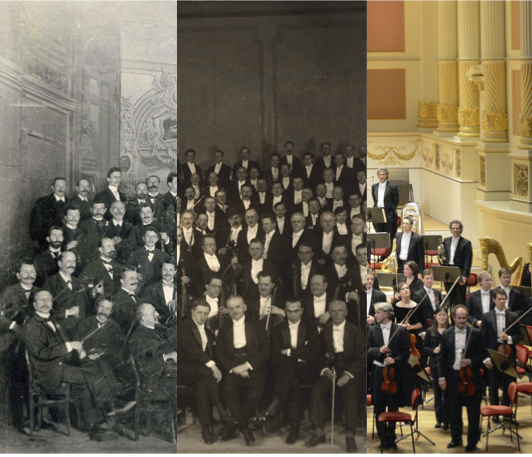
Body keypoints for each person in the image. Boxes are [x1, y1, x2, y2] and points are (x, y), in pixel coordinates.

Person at [175, 299, 237, 444]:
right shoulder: (183, 327)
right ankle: (222, 411)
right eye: (199, 313)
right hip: (181, 369)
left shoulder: (208, 331)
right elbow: (193, 352)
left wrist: (225, 366)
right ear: (192, 312)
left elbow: (212, 353)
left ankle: (206, 428)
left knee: (202, 384)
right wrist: (213, 367)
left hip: (200, 372)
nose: (202, 316)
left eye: (206, 313)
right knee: (207, 373)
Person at [306, 300, 362, 452]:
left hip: (349, 371)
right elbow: (317, 356)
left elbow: (361, 358)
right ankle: (319, 432)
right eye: (333, 311)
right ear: (329, 313)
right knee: (317, 389)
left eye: (340, 311)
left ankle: (350, 435)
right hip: (332, 370)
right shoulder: (324, 332)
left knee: (350, 392)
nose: (336, 314)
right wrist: (325, 370)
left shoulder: (356, 330)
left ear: (346, 312)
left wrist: (348, 375)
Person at [215, 295, 270, 446]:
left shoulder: (257, 325)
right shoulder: (224, 328)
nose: (235, 311)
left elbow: (266, 350)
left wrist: (247, 366)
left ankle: (235, 425)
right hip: (233, 367)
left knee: (255, 395)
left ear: (244, 307)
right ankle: (245, 428)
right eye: (231, 308)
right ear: (227, 311)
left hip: (253, 366)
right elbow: (219, 353)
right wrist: (234, 369)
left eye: (237, 307)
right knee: (228, 391)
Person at [438, 305, 488, 452]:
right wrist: (441, 377)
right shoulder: (446, 334)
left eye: (464, 318)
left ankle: (472, 441)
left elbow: (483, 354)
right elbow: (442, 358)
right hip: (453, 377)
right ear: (453, 318)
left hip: (471, 378)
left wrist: (471, 361)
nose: (461, 321)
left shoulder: (476, 333)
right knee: (454, 411)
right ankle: (456, 438)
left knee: (473, 412)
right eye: (459, 318)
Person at [367, 302, 410, 449]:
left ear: (386, 314)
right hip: (378, 373)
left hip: (393, 374)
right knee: (378, 406)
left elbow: (406, 353)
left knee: (392, 407)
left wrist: (395, 360)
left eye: (377, 312)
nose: (375, 315)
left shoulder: (400, 330)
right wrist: (379, 350)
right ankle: (382, 438)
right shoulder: (372, 330)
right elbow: (367, 350)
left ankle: (391, 438)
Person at [481, 287, 523, 411]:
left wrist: (509, 338)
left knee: (508, 384)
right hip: (493, 355)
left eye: (504, 299)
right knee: (493, 386)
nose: (502, 301)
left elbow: (520, 335)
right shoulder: (486, 316)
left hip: (508, 355)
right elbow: (483, 340)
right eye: (499, 299)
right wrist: (486, 358)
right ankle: (494, 412)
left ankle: (507, 413)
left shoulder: (513, 316)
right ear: (494, 300)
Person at [422, 306, 450, 430]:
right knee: (438, 394)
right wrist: (433, 350)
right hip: (435, 365)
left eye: (444, 315)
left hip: (449, 366)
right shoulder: (430, 331)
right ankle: (439, 419)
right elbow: (424, 347)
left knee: (447, 394)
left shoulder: (451, 330)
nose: (442, 317)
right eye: (440, 315)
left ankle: (447, 420)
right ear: (435, 316)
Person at [441, 220, 473, 306]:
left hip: (459, 272)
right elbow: (441, 254)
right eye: (453, 228)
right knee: (449, 296)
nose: (455, 230)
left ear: (461, 230)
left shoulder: (466, 243)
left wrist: (465, 276)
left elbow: (468, 261)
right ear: (450, 230)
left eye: (457, 228)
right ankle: (450, 316)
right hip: (448, 271)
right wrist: (443, 267)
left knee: (460, 297)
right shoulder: (446, 241)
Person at [371, 167, 399, 251]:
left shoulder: (393, 187)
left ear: (386, 175)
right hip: (378, 213)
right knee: (379, 234)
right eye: (379, 174)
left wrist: (389, 210)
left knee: (388, 236)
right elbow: (375, 200)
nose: (381, 176)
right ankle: (381, 253)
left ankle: (387, 254)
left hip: (388, 214)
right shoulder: (374, 186)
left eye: (383, 174)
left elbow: (396, 201)